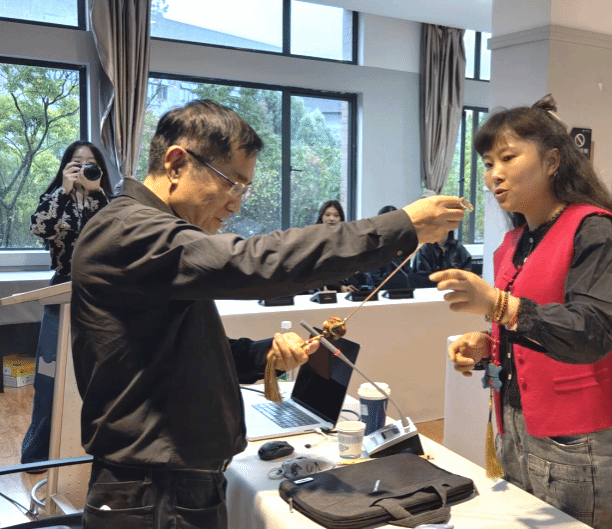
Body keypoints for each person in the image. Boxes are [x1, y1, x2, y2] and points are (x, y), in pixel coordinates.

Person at [70, 99, 465, 529]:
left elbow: (176, 351)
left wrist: (264, 356)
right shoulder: (131, 230)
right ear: (177, 163)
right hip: (156, 494)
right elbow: (254, 261)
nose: (235, 205)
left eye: (244, 190)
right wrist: (400, 226)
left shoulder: (147, 234)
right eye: (231, 184)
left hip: (172, 485)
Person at [430, 95, 612, 529]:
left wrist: (497, 304)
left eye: (508, 158)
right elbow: (531, 323)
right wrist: (488, 344)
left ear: (553, 160)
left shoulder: (595, 230)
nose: (494, 175)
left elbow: (591, 331)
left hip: (577, 439)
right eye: (487, 163)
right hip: (515, 427)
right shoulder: (516, 241)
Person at [21, 141, 111, 466]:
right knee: (50, 371)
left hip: (103, 294)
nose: (84, 168)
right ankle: (38, 451)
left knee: (101, 374)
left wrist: (97, 194)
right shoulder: (55, 198)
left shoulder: (109, 202)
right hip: (62, 289)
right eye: (76, 162)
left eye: (90, 163)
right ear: (66, 167)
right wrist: (64, 190)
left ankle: (94, 450)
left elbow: (116, 236)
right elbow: (39, 227)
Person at [314, 199, 365, 292]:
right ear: (321, 217)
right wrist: (340, 287)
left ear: (341, 218)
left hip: (348, 288)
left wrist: (350, 286)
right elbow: (318, 271)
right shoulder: (315, 239)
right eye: (327, 215)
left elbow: (353, 267)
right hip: (324, 290)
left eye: (336, 215)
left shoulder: (347, 238)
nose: (331, 218)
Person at [360, 205, 411, 290]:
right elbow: (374, 280)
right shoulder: (373, 248)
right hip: (379, 293)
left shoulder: (404, 247)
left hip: (402, 292)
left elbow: (408, 275)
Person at [410, 229, 475, 288]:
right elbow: (422, 278)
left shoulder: (458, 248)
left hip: (454, 289)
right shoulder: (424, 249)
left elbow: (467, 274)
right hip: (430, 291)